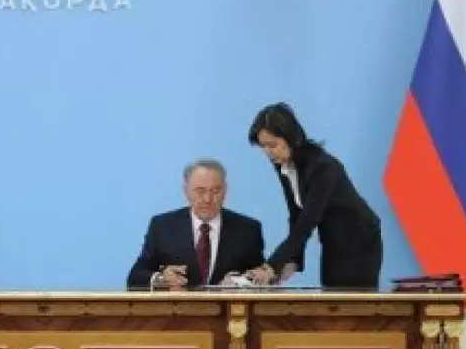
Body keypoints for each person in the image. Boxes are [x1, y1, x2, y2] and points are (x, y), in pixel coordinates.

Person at [244, 102, 383, 288]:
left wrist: (271, 266)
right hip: (332, 240)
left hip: (360, 239)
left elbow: (307, 221)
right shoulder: (282, 162)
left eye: (272, 145)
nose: (268, 152)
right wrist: (292, 261)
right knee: (331, 297)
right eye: (263, 146)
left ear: (290, 137)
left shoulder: (322, 167)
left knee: (349, 300)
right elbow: (296, 215)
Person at [127, 159, 266, 289]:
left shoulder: (248, 230)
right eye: (200, 191)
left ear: (225, 191)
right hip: (179, 306)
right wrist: (162, 279)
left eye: (215, 191)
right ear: (186, 191)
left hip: (228, 306)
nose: (207, 199)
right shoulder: (163, 226)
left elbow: (263, 280)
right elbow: (135, 277)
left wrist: (240, 282)